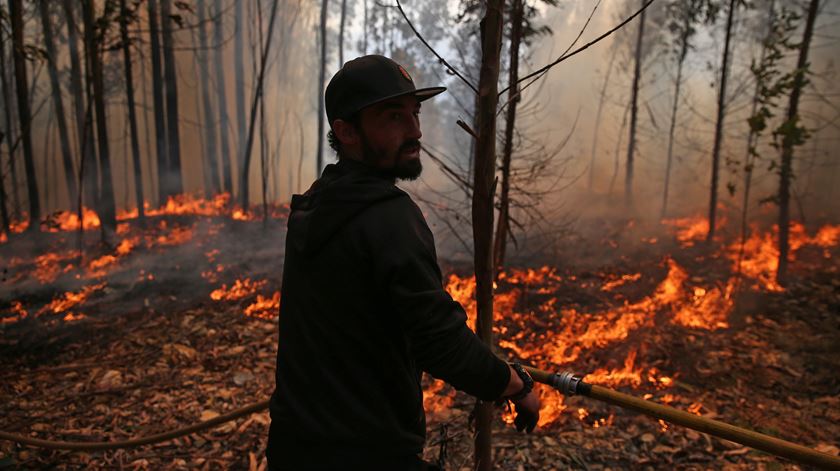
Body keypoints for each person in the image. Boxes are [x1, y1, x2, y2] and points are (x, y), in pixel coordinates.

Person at [266, 55, 540, 471]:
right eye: (394, 117)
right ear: (346, 132)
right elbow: (439, 340)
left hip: (293, 448)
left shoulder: (320, 203)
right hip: (363, 455)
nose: (415, 131)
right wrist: (515, 385)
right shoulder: (387, 215)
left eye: (415, 113)